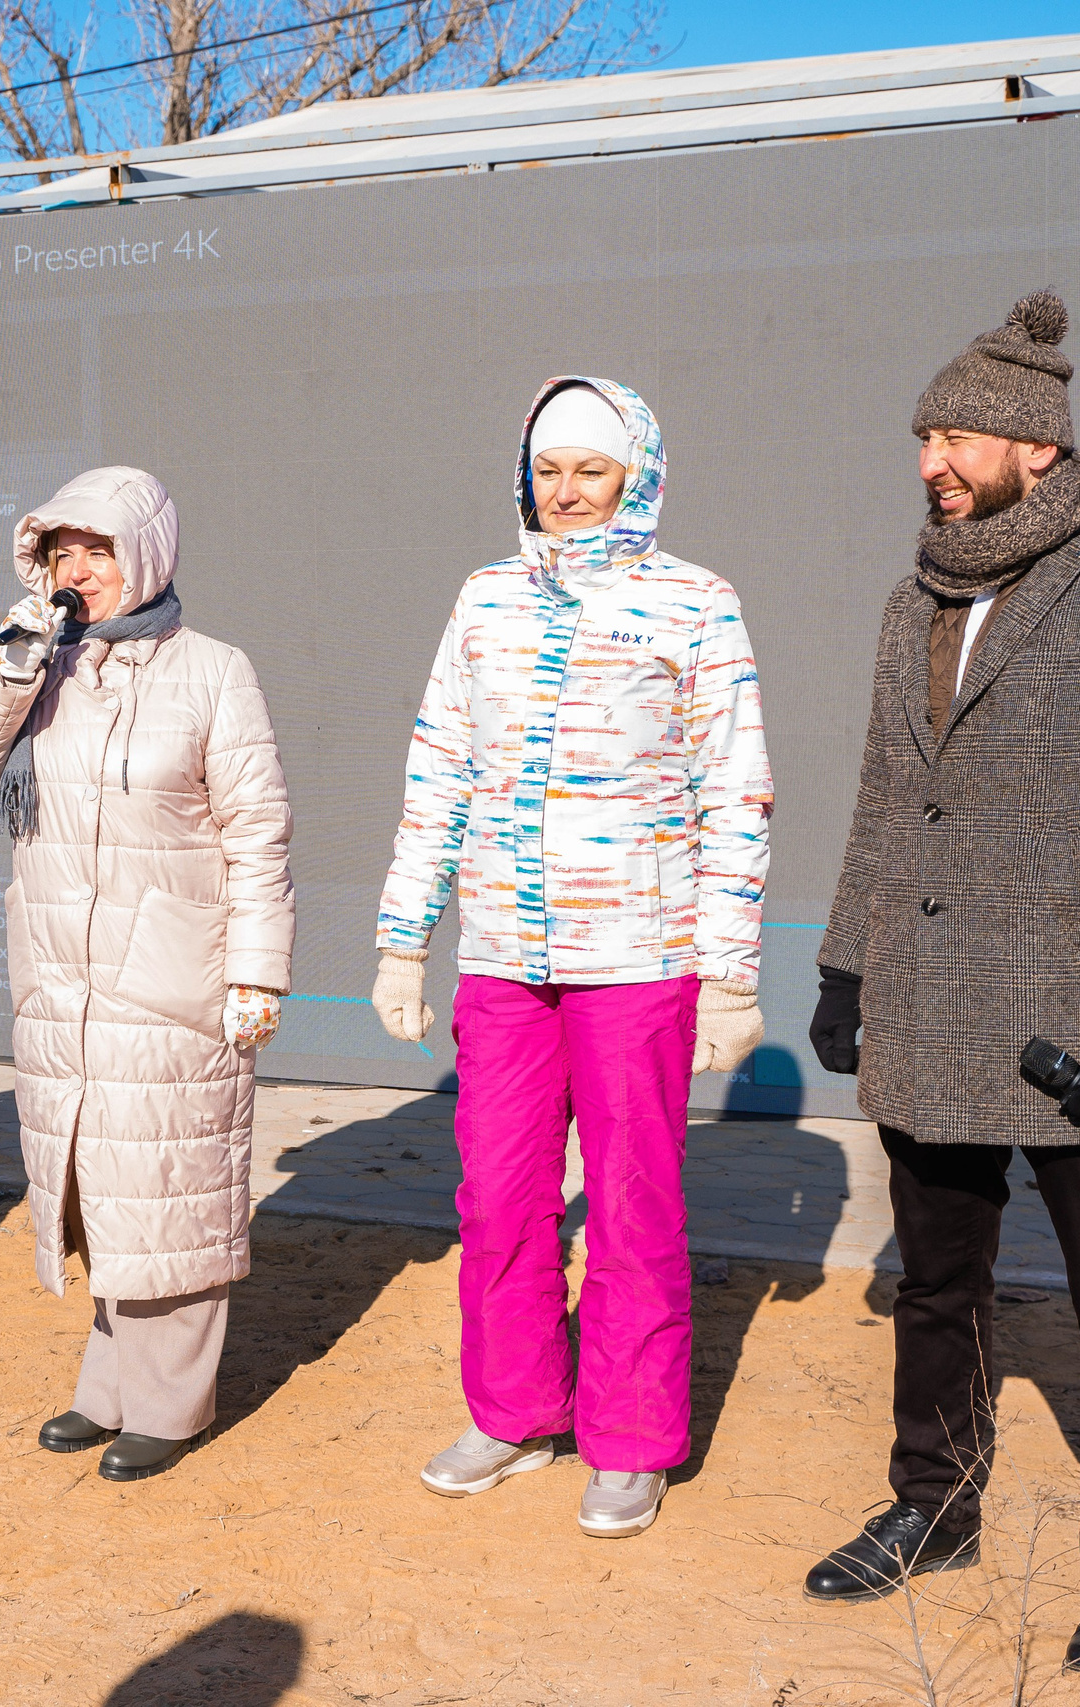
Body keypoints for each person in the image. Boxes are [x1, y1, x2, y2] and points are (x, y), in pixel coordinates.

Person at [803, 292, 1080, 1668]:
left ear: (1036, 447)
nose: (932, 455)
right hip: (929, 1004)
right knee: (938, 1282)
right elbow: (887, 795)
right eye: (925, 431)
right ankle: (934, 1502)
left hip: (1071, 1023)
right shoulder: (913, 593)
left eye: (959, 433)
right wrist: (846, 959)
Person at [372, 377, 773, 1539]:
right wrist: (406, 938)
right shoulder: (484, 600)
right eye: (549, 470)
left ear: (635, 476)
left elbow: (733, 793)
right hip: (502, 954)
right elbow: (439, 768)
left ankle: (632, 1439)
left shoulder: (694, 603)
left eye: (589, 470)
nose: (566, 492)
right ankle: (511, 1413)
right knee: (497, 1198)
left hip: (638, 958)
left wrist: (731, 972)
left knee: (635, 1205)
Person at [0, 465, 295, 1483]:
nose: (79, 570)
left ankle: (170, 1405)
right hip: (61, 976)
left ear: (143, 554)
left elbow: (258, 833)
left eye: (98, 550)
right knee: (99, 1189)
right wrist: (13, 666)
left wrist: (256, 975)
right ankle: (111, 1387)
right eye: (62, 552)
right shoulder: (38, 666)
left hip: (175, 980)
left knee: (169, 1191)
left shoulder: (212, 670)